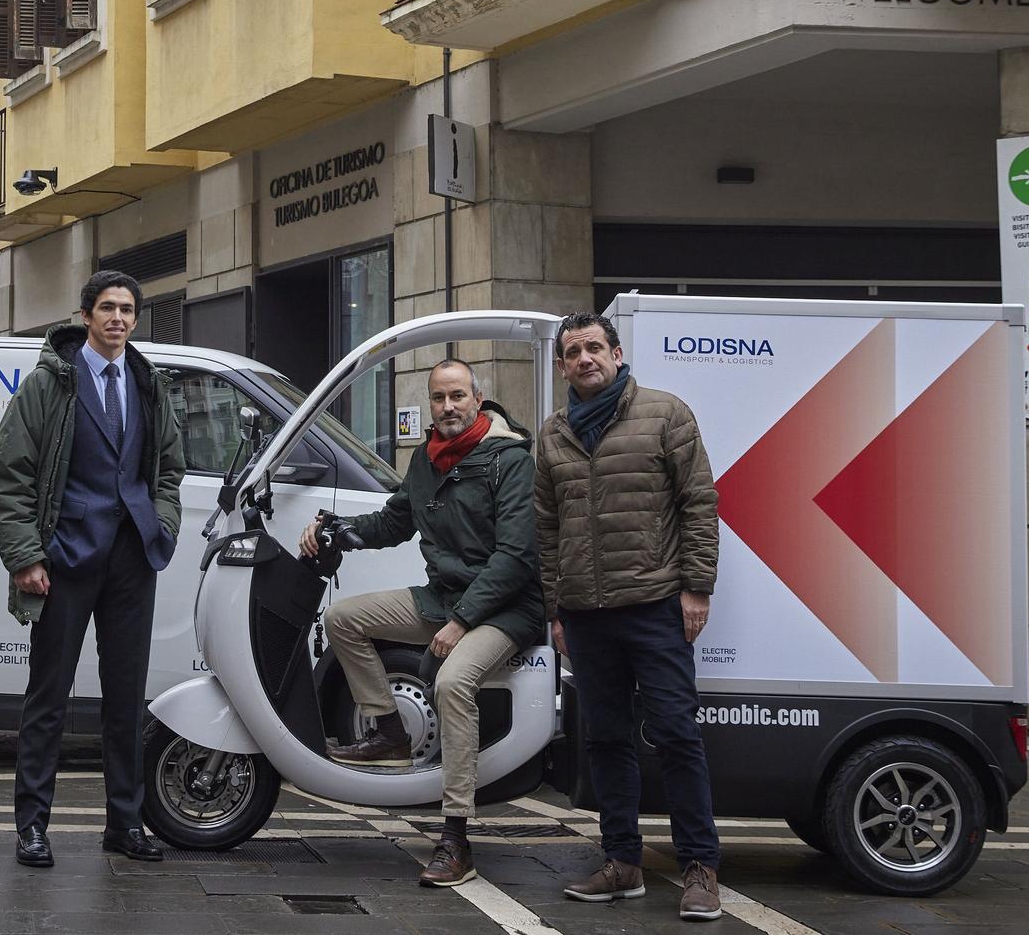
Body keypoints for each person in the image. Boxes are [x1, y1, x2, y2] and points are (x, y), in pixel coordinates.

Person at [299, 358, 541, 888]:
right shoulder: (426, 458)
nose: (448, 407)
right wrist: (337, 530)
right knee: (345, 620)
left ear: (478, 400)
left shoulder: (509, 459)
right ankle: (389, 731)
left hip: (506, 607)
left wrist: (460, 623)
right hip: (444, 598)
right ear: (429, 404)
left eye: (457, 396)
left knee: (454, 683)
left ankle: (456, 836)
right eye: (438, 398)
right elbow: (394, 521)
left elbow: (517, 557)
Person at [0, 270, 186, 869]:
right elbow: (9, 478)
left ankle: (125, 823)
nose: (118, 318)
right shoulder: (48, 385)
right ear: (85, 315)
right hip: (65, 560)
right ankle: (33, 828)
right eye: (107, 308)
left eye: (127, 309)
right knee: (47, 698)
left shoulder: (148, 383)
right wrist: (25, 556)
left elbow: (170, 470)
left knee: (126, 701)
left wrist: (164, 524)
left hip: (131, 560)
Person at [534, 311, 723, 921]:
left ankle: (700, 867)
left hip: (655, 607)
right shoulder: (553, 433)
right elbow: (546, 529)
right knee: (607, 739)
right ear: (562, 365)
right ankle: (623, 863)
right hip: (586, 617)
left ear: (617, 355)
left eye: (594, 347)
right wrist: (556, 611)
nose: (584, 358)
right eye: (573, 352)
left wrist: (696, 589)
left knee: (675, 733)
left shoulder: (665, 414)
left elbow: (699, 503)